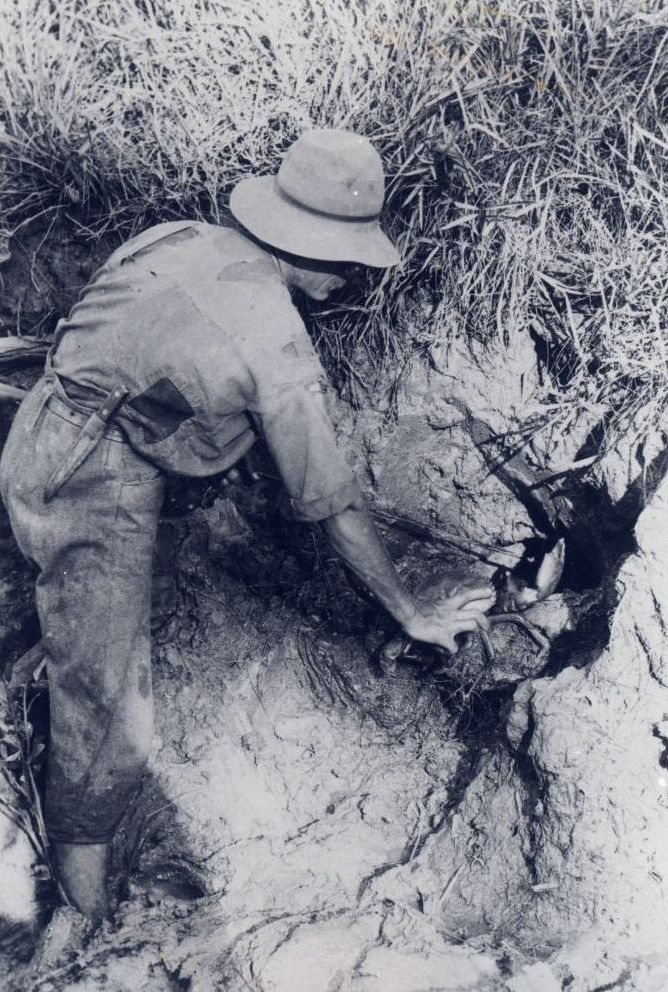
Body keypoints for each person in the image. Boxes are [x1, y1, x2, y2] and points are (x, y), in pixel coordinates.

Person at [0, 129, 494, 924]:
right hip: (91, 482)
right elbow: (332, 504)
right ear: (312, 247)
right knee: (112, 711)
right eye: (349, 259)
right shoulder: (274, 339)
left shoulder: (178, 235)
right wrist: (411, 610)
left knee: (83, 630)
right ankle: (81, 911)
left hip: (39, 429)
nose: (354, 276)